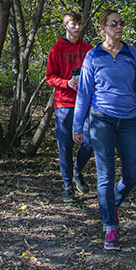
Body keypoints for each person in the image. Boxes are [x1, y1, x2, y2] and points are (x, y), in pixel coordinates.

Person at [73, 9, 136, 252]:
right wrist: (78, 125)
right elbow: (84, 93)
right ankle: (110, 227)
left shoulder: (131, 54)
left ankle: (112, 201)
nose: (119, 27)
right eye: (114, 24)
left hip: (129, 121)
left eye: (122, 23)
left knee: (133, 175)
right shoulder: (93, 56)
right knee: (106, 174)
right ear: (103, 28)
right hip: (102, 120)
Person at [46, 11, 94, 201]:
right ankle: (68, 186)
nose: (76, 26)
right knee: (65, 146)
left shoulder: (89, 49)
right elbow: (50, 77)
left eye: (79, 23)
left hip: (87, 103)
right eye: (72, 23)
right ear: (65, 26)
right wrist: (67, 83)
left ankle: (77, 171)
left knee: (90, 140)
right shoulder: (56, 50)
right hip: (64, 103)